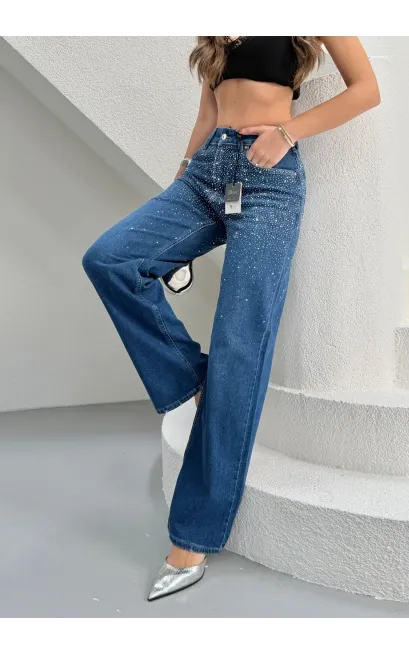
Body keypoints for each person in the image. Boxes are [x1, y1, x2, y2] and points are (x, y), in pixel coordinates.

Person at [83, 32, 380, 601]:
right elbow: (207, 112)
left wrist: (287, 133)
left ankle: (193, 536)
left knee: (239, 346)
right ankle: (192, 377)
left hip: (269, 183)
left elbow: (366, 89)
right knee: (110, 260)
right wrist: (181, 178)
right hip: (205, 173)